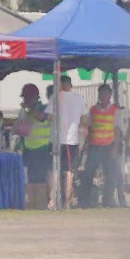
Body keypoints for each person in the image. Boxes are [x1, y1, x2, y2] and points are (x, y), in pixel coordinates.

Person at [13, 84, 52, 209]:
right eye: (24, 97)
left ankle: (41, 204)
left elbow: (41, 118)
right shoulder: (25, 111)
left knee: (40, 179)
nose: (24, 100)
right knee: (29, 180)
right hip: (28, 149)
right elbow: (18, 127)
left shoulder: (44, 108)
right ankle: (30, 205)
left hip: (42, 149)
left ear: (34, 97)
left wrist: (28, 110)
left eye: (26, 97)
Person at [81, 84, 119, 208]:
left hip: (109, 146)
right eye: (101, 93)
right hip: (94, 146)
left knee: (110, 175)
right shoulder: (92, 110)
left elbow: (117, 130)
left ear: (110, 95)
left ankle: (107, 201)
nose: (103, 96)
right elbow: (88, 127)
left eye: (106, 94)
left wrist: (115, 147)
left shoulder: (115, 110)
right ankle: (86, 201)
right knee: (88, 174)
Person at [55, 75, 88, 208]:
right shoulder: (79, 99)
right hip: (73, 140)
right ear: (71, 85)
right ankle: (66, 202)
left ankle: (56, 199)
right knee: (68, 171)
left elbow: (48, 116)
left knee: (56, 170)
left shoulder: (56, 97)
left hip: (59, 140)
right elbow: (85, 120)